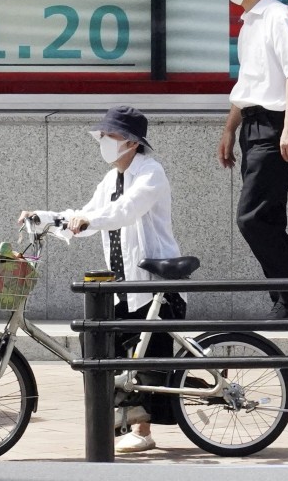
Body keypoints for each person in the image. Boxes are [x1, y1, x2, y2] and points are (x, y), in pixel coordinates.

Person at [18, 105, 184, 454]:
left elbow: (125, 212)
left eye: (112, 136)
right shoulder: (111, 179)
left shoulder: (150, 173)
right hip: (123, 283)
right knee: (111, 351)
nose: (105, 142)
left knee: (149, 356)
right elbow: (87, 213)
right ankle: (125, 417)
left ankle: (142, 429)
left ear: (132, 143)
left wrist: (89, 221)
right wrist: (45, 217)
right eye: (104, 136)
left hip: (152, 279)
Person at [217, 0, 288, 319]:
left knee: (252, 217)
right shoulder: (250, 23)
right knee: (269, 217)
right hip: (253, 126)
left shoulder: (279, 17)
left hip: (277, 127)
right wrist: (229, 129)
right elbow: (249, 84)